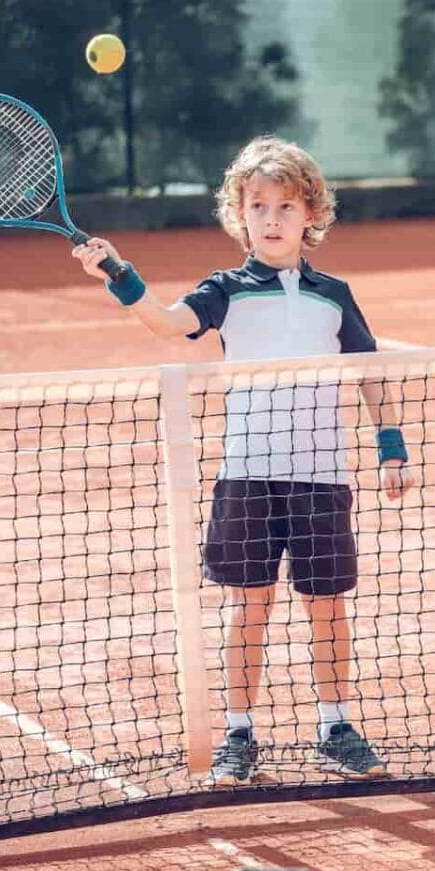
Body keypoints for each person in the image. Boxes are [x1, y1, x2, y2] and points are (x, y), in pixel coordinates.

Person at [74, 135, 410, 785]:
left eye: (286, 205)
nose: (273, 218)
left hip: (321, 477)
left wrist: (389, 447)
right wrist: (119, 273)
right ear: (240, 215)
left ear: (311, 214)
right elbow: (169, 324)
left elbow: (370, 372)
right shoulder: (226, 290)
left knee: (327, 608)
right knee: (248, 606)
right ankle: (238, 732)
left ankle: (335, 724)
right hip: (247, 478)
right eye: (258, 205)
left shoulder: (333, 295)